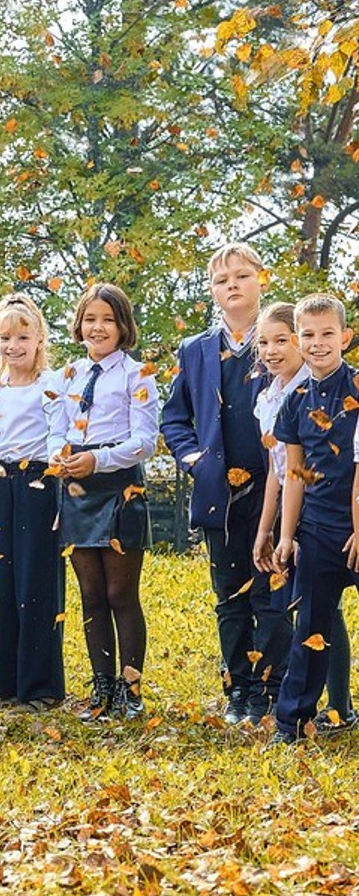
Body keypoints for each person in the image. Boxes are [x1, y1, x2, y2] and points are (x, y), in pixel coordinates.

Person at [161, 243, 289, 726]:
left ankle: (270, 691)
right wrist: (194, 460)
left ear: (261, 279)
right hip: (219, 492)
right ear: (212, 290)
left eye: (241, 276)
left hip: (271, 488)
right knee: (229, 595)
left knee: (271, 592)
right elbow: (175, 417)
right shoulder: (196, 349)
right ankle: (238, 691)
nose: (232, 285)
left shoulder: (278, 338)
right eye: (221, 280)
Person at [50, 283, 160, 722]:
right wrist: (63, 452)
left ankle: (131, 690)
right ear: (79, 324)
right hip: (76, 486)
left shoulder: (138, 375)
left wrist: (100, 459)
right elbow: (54, 427)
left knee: (120, 593)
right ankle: (102, 690)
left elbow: (146, 441)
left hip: (118, 486)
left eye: (107, 320)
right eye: (90, 319)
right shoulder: (67, 375)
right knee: (91, 594)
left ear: (122, 326)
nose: (98, 327)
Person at [0, 293, 67, 710]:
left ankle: (40, 688)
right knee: (2, 584)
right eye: (5, 337)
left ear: (39, 339)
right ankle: (6, 685)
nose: (14, 346)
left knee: (36, 583)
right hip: (4, 487)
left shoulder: (50, 387)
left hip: (41, 483)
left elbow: (60, 440)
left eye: (23, 336)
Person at [251, 301, 351, 729]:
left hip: (357, 523)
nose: (317, 343)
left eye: (327, 333)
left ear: (345, 338)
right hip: (318, 528)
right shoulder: (294, 403)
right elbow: (295, 474)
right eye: (308, 335)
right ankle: (292, 723)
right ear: (298, 340)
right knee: (310, 625)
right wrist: (287, 535)